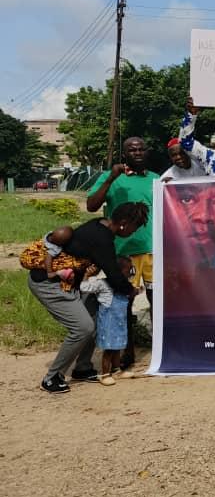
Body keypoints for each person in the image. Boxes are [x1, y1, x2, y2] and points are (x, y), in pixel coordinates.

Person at [29, 202, 148, 394]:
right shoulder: (102, 239)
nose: (133, 233)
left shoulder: (99, 224)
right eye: (134, 228)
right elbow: (114, 275)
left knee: (94, 318)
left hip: (70, 284)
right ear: (124, 224)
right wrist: (131, 290)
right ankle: (52, 378)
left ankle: (83, 368)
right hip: (49, 284)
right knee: (83, 327)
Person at [87, 136, 159, 369]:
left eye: (141, 149)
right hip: (124, 254)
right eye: (132, 150)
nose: (137, 152)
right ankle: (127, 351)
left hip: (154, 251)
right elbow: (91, 206)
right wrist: (111, 177)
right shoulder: (111, 178)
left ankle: (160, 348)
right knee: (123, 304)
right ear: (124, 154)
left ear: (146, 152)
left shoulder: (157, 179)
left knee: (157, 301)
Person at [79, 256, 136, 385]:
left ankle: (116, 370)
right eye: (128, 269)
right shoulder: (103, 284)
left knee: (117, 346)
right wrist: (87, 275)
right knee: (109, 349)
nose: (131, 272)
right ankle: (105, 374)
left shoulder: (123, 286)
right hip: (109, 324)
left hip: (120, 323)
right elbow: (84, 287)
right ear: (118, 272)